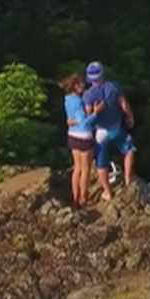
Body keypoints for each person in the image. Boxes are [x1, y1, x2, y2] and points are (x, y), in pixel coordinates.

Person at [82, 61, 136, 200]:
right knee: (129, 150)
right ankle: (128, 180)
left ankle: (107, 191)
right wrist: (129, 117)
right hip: (116, 128)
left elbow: (89, 116)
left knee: (101, 161)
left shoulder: (88, 95)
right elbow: (123, 104)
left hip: (100, 132)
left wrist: (95, 113)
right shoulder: (114, 86)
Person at [60, 74, 102, 207]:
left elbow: (72, 119)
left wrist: (71, 121)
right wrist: (96, 113)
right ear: (76, 86)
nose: (84, 86)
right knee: (85, 169)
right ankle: (83, 198)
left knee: (77, 168)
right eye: (81, 84)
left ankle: (75, 197)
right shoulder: (78, 101)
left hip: (72, 135)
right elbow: (84, 123)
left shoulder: (67, 99)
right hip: (83, 137)